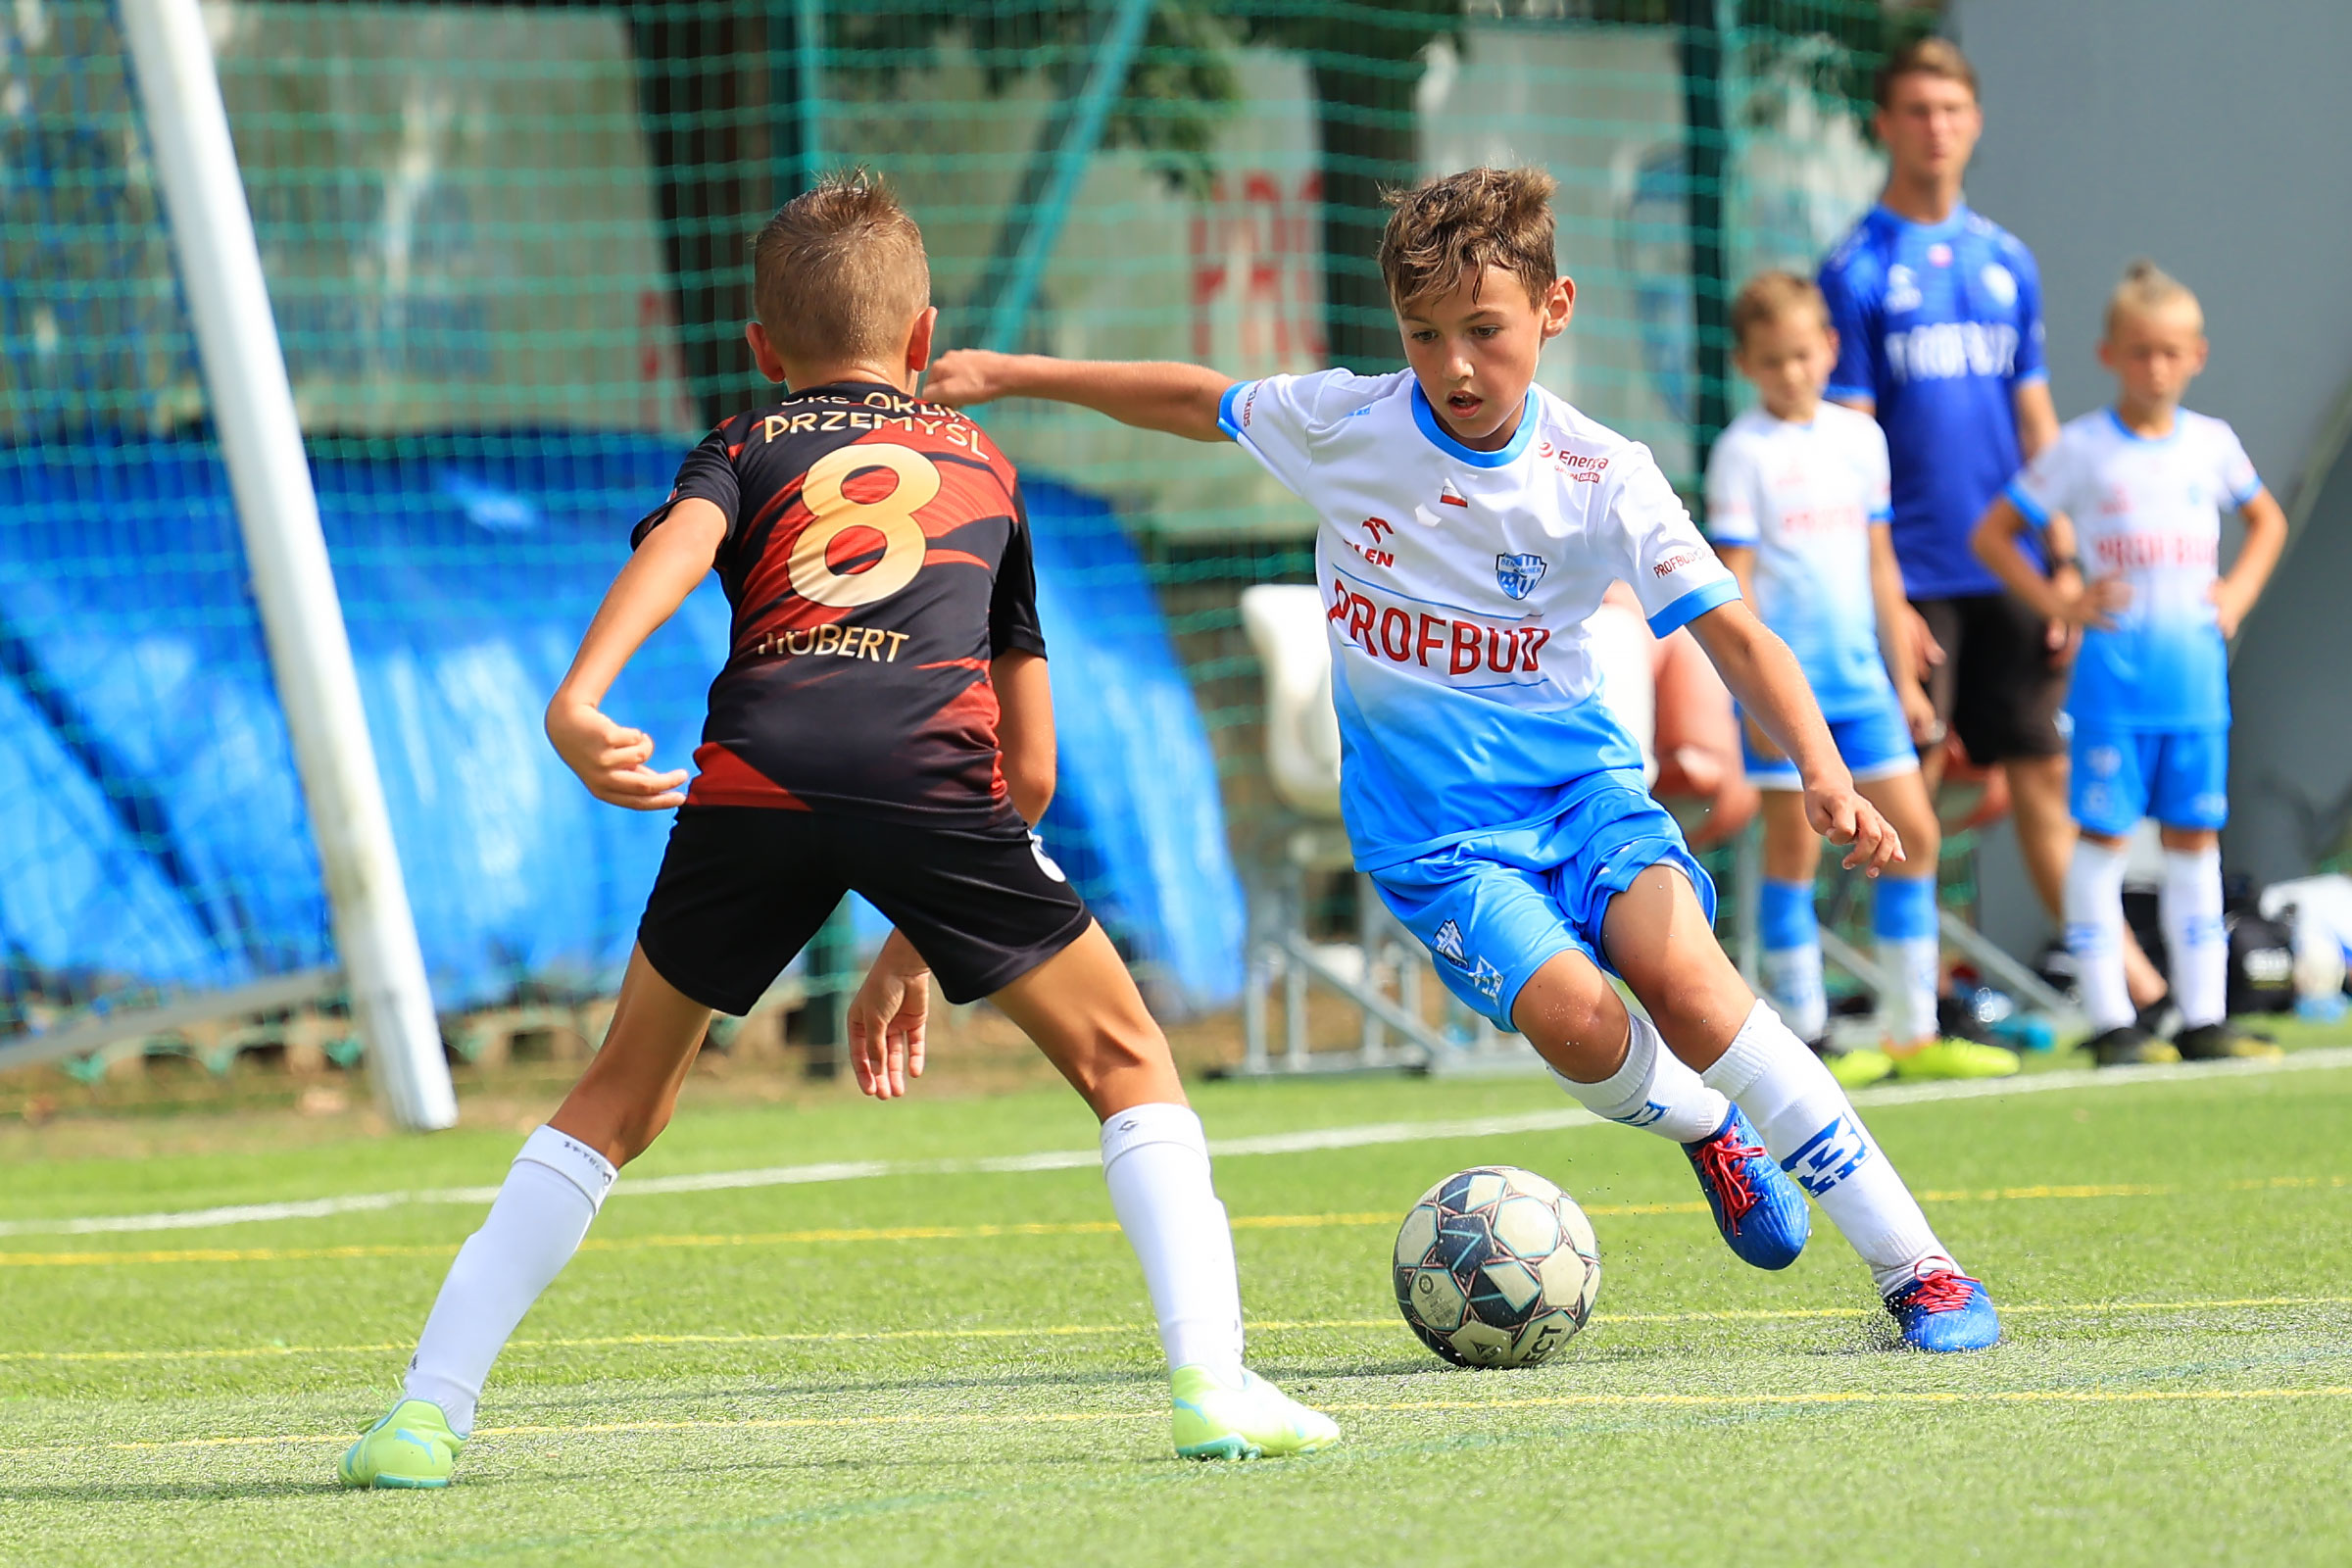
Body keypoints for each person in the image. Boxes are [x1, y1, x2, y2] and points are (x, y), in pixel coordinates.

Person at [337, 173, 1339, 1489]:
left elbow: (679, 552)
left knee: (618, 1098)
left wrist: (577, 698)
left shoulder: (745, 445)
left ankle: (426, 1414)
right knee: (1126, 1057)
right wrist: (922, 937)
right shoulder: (985, 465)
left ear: (762, 353)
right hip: (928, 776)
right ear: (924, 342)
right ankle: (1211, 1380)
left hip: (758, 770)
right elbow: (1027, 769)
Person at [926, 167, 2001, 1352]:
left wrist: (1826, 772)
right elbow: (1198, 399)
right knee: (1578, 1022)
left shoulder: (1603, 475)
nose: (1455, 365)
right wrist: (1012, 375)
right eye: (1425, 335)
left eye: (1485, 330)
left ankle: (1923, 1272)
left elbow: (1737, 633)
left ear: (1555, 307)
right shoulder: (1350, 426)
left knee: (1694, 987)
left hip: (1583, 796)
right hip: (1435, 840)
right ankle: (1706, 1127)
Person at [1818, 36, 2169, 1043]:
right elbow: (1844, 441)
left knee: (2044, 781)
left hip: (2006, 566)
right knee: (1908, 785)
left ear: (1974, 123)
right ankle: (1908, 1006)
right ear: (1883, 125)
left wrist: (2064, 553)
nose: (1936, 128)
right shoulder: (1855, 268)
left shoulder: (2007, 261)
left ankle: (2137, 996)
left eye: (1952, 110)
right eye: (1916, 110)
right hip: (1913, 573)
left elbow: (2035, 424)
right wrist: (1876, 592)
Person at [1706, 271, 2017, 1087]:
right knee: (1790, 853)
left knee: (1914, 833)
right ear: (1745, 363)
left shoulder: (1859, 440)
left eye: (1804, 354)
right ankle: (1807, 1037)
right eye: (1772, 361)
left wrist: (1904, 681)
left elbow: (1881, 565)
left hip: (1864, 687)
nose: (1792, 373)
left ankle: (1912, 1029)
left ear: (1830, 349)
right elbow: (1731, 581)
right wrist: (1748, 694)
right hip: (1787, 695)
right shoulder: (1742, 452)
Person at [1973, 262, 2287, 1066]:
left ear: (2197, 357)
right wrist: (2061, 603)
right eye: (2140, 351)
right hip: (2115, 689)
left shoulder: (2213, 445)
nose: (2156, 367)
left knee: (2195, 845)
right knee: (2101, 846)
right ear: (2109, 354)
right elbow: (1995, 534)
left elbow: (2267, 521)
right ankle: (2112, 1019)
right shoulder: (2080, 449)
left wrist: (2240, 592)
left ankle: (2203, 1016)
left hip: (2195, 688)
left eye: (2171, 352)